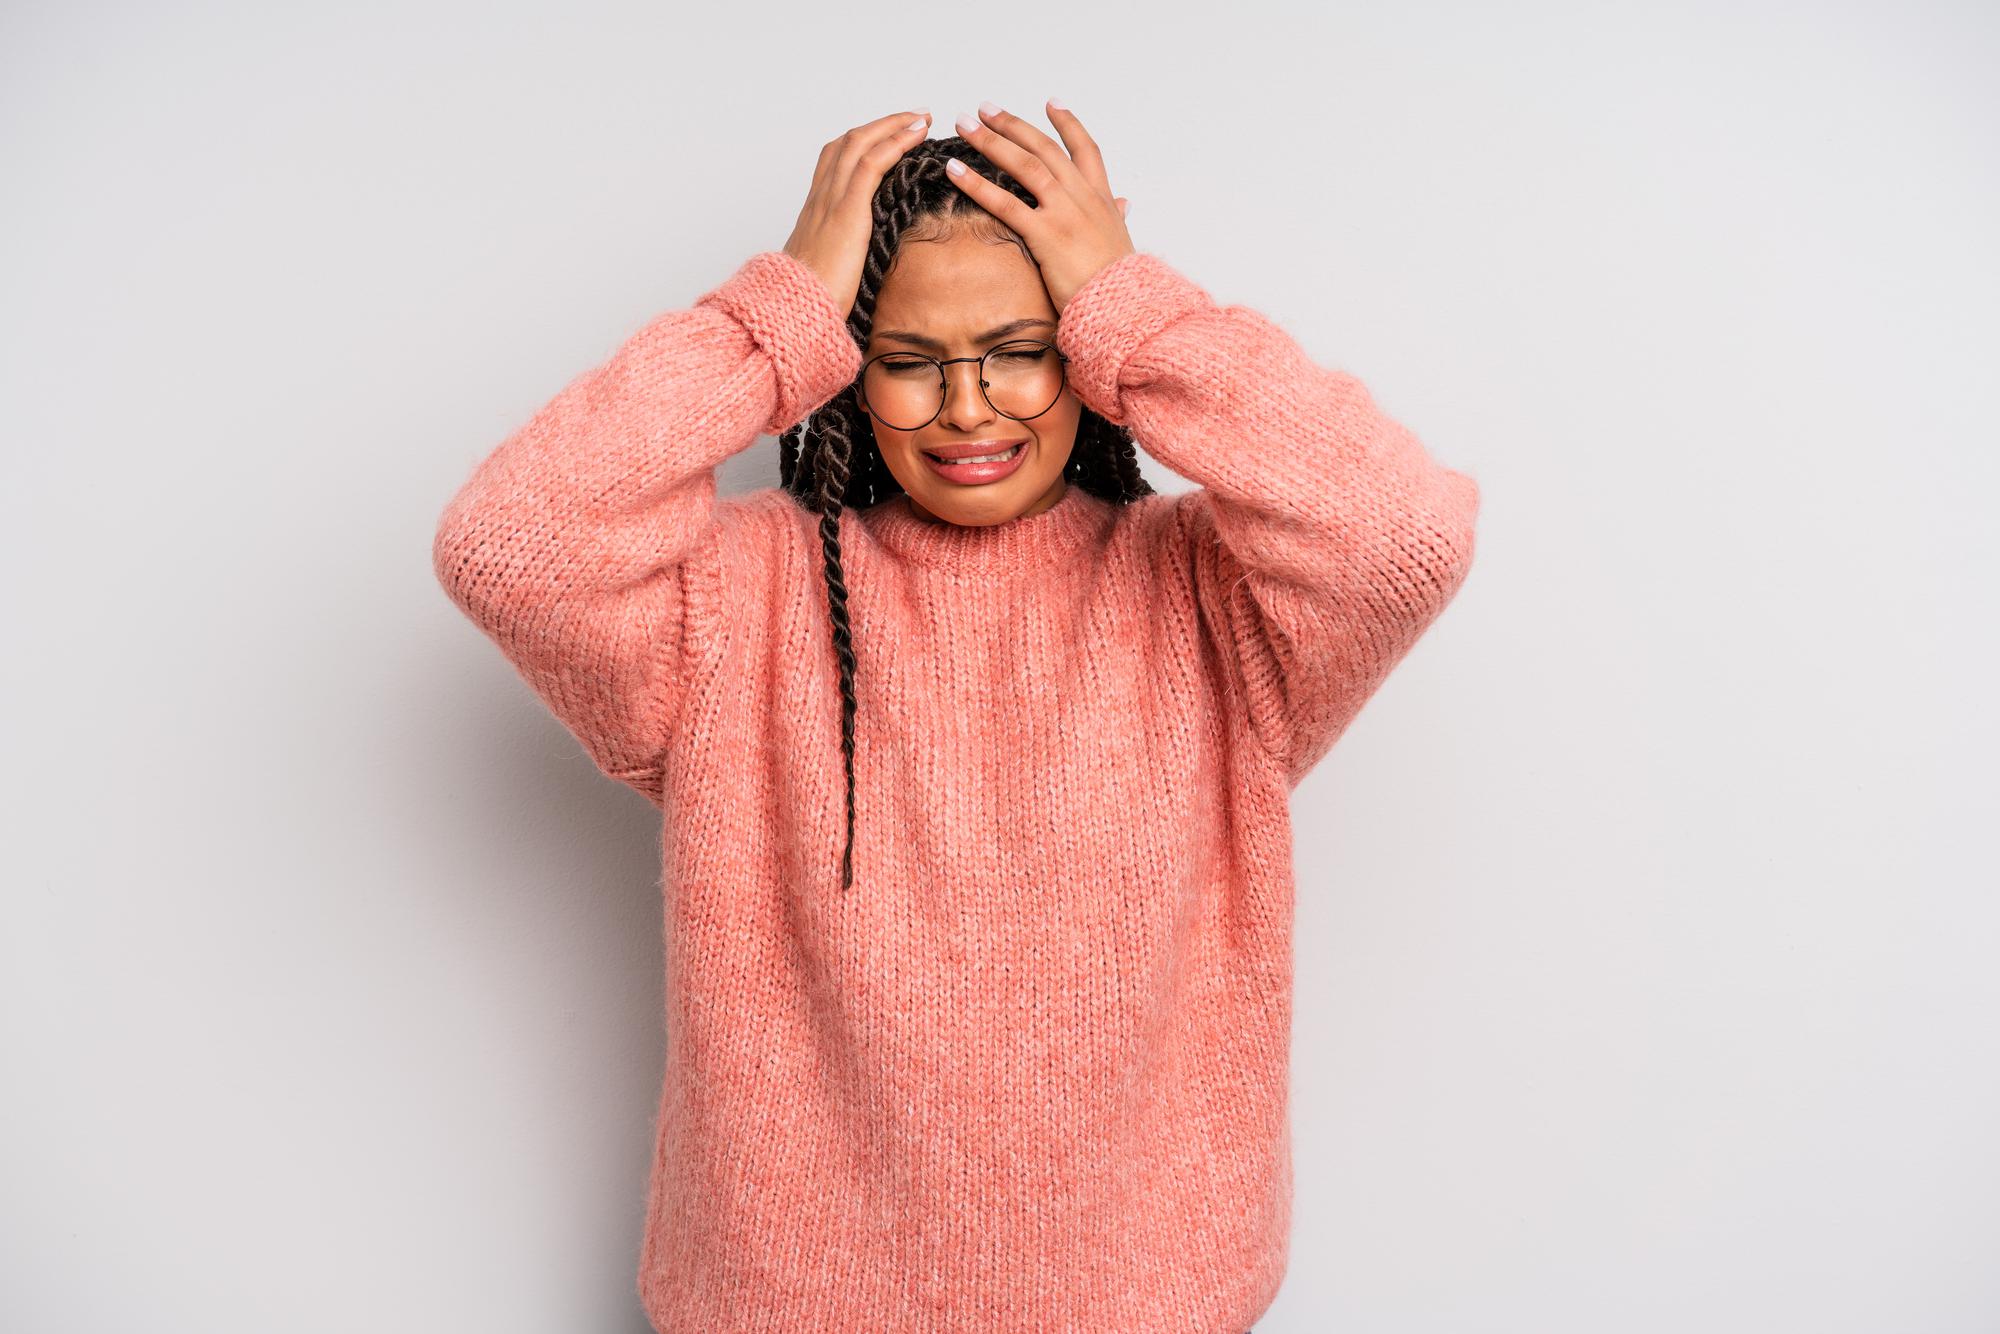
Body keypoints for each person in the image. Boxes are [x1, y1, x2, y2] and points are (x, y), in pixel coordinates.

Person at [431, 99, 1480, 1334]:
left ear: (1083, 358)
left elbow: (1401, 536)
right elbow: (509, 548)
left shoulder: (1214, 603)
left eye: (1020, 348)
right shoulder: (731, 602)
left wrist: (1135, 308)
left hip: (1144, 1306)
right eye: (908, 360)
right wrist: (772, 316)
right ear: (848, 373)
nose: (968, 408)